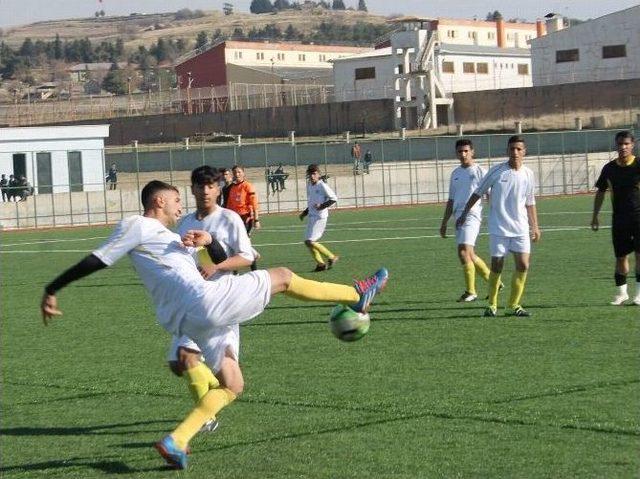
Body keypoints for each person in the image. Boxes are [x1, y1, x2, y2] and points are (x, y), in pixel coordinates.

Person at [40, 179, 389, 470]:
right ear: (159, 201)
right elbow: (98, 259)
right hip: (201, 305)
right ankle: (356, 293)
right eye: (177, 200)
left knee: (233, 384)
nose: (181, 207)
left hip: (194, 317)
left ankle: (177, 440)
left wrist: (211, 243)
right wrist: (53, 288)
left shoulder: (174, 239)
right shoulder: (138, 225)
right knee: (282, 276)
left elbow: (220, 263)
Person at [168, 166, 257, 434]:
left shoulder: (229, 219)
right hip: (194, 302)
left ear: (218, 189)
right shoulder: (185, 224)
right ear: (192, 189)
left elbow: (247, 257)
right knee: (179, 362)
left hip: (223, 300)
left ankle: (205, 414)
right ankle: (209, 406)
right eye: (200, 186)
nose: (205, 191)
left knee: (192, 360)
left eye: (211, 186)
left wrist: (216, 266)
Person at [456, 135, 541, 317]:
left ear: (524, 152)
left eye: (519, 149)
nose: (515, 152)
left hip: (520, 229)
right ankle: (492, 305)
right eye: (512, 149)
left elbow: (530, 202)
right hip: (499, 229)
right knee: (497, 266)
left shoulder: (528, 174)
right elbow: (477, 193)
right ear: (507, 151)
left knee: (523, 265)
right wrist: (464, 214)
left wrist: (535, 226)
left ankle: (514, 305)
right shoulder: (497, 172)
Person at [440, 139, 493, 302]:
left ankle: (471, 291)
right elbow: (451, 199)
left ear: (472, 152)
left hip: (472, 216)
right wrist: (444, 222)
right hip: (458, 216)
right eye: (460, 152)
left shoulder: (481, 172)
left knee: (464, 251)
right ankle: (494, 283)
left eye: (466, 151)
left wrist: (495, 214)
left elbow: (490, 195)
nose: (463, 154)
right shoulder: (455, 173)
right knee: (467, 253)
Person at [591, 130, 640, 306]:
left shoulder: (639, 164)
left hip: (638, 218)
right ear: (616, 145)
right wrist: (595, 216)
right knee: (621, 257)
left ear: (632, 145)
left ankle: (638, 295)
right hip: (619, 219)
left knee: (639, 255)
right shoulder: (609, 168)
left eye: (626, 144)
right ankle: (622, 293)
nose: (623, 147)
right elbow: (601, 191)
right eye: (620, 144)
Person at [299, 164, 339, 272]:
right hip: (312, 216)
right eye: (310, 174)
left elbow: (334, 198)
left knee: (310, 241)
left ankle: (331, 257)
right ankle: (321, 264)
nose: (312, 176)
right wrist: (305, 213)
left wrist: (321, 206)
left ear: (318, 174)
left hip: (320, 217)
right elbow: (311, 201)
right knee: (307, 242)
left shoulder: (322, 185)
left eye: (314, 173)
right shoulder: (309, 185)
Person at [226, 165, 260, 270]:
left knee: (242, 242)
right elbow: (229, 205)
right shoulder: (232, 188)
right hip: (235, 219)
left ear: (243, 173)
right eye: (235, 172)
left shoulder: (248, 186)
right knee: (235, 244)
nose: (237, 174)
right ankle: (235, 271)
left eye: (239, 172)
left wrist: (256, 220)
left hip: (246, 218)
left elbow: (254, 204)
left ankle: (254, 269)